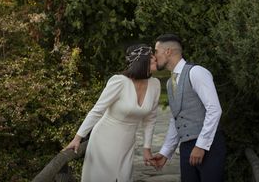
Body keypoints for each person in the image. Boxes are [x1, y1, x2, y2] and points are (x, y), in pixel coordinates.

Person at [64, 44, 161, 182]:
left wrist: (147, 148)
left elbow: (150, 119)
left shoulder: (155, 84)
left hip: (127, 143)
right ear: (141, 62)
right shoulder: (119, 82)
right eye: (151, 58)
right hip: (104, 140)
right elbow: (98, 110)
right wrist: (77, 138)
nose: (156, 59)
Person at [151, 34, 226, 182]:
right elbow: (176, 119)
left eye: (156, 51)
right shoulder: (169, 83)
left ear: (168, 52)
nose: (154, 56)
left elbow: (214, 110)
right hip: (186, 147)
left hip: (208, 146)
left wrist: (201, 145)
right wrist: (165, 152)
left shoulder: (196, 72)